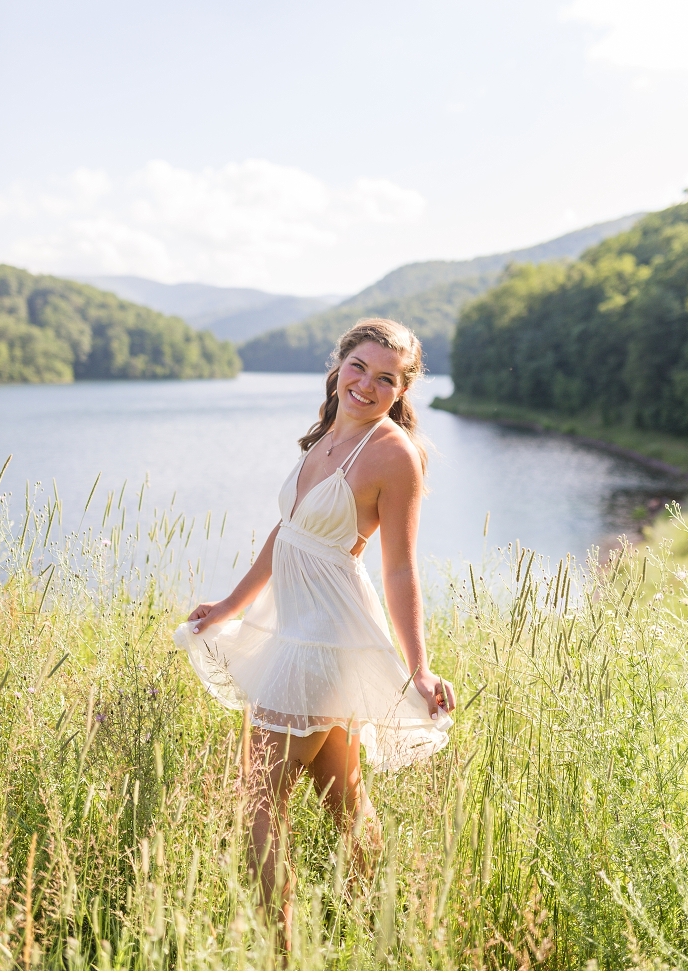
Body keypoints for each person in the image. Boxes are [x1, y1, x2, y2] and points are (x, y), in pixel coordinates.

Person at [173, 317, 455, 936]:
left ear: (401, 391)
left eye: (387, 378)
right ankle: (386, 935)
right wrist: (228, 607)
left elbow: (401, 570)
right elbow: (289, 534)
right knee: (344, 800)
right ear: (340, 365)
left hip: (327, 639)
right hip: (292, 630)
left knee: (257, 802)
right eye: (359, 367)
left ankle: (281, 948)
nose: (367, 384)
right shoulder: (327, 433)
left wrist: (419, 667)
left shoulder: (392, 455)